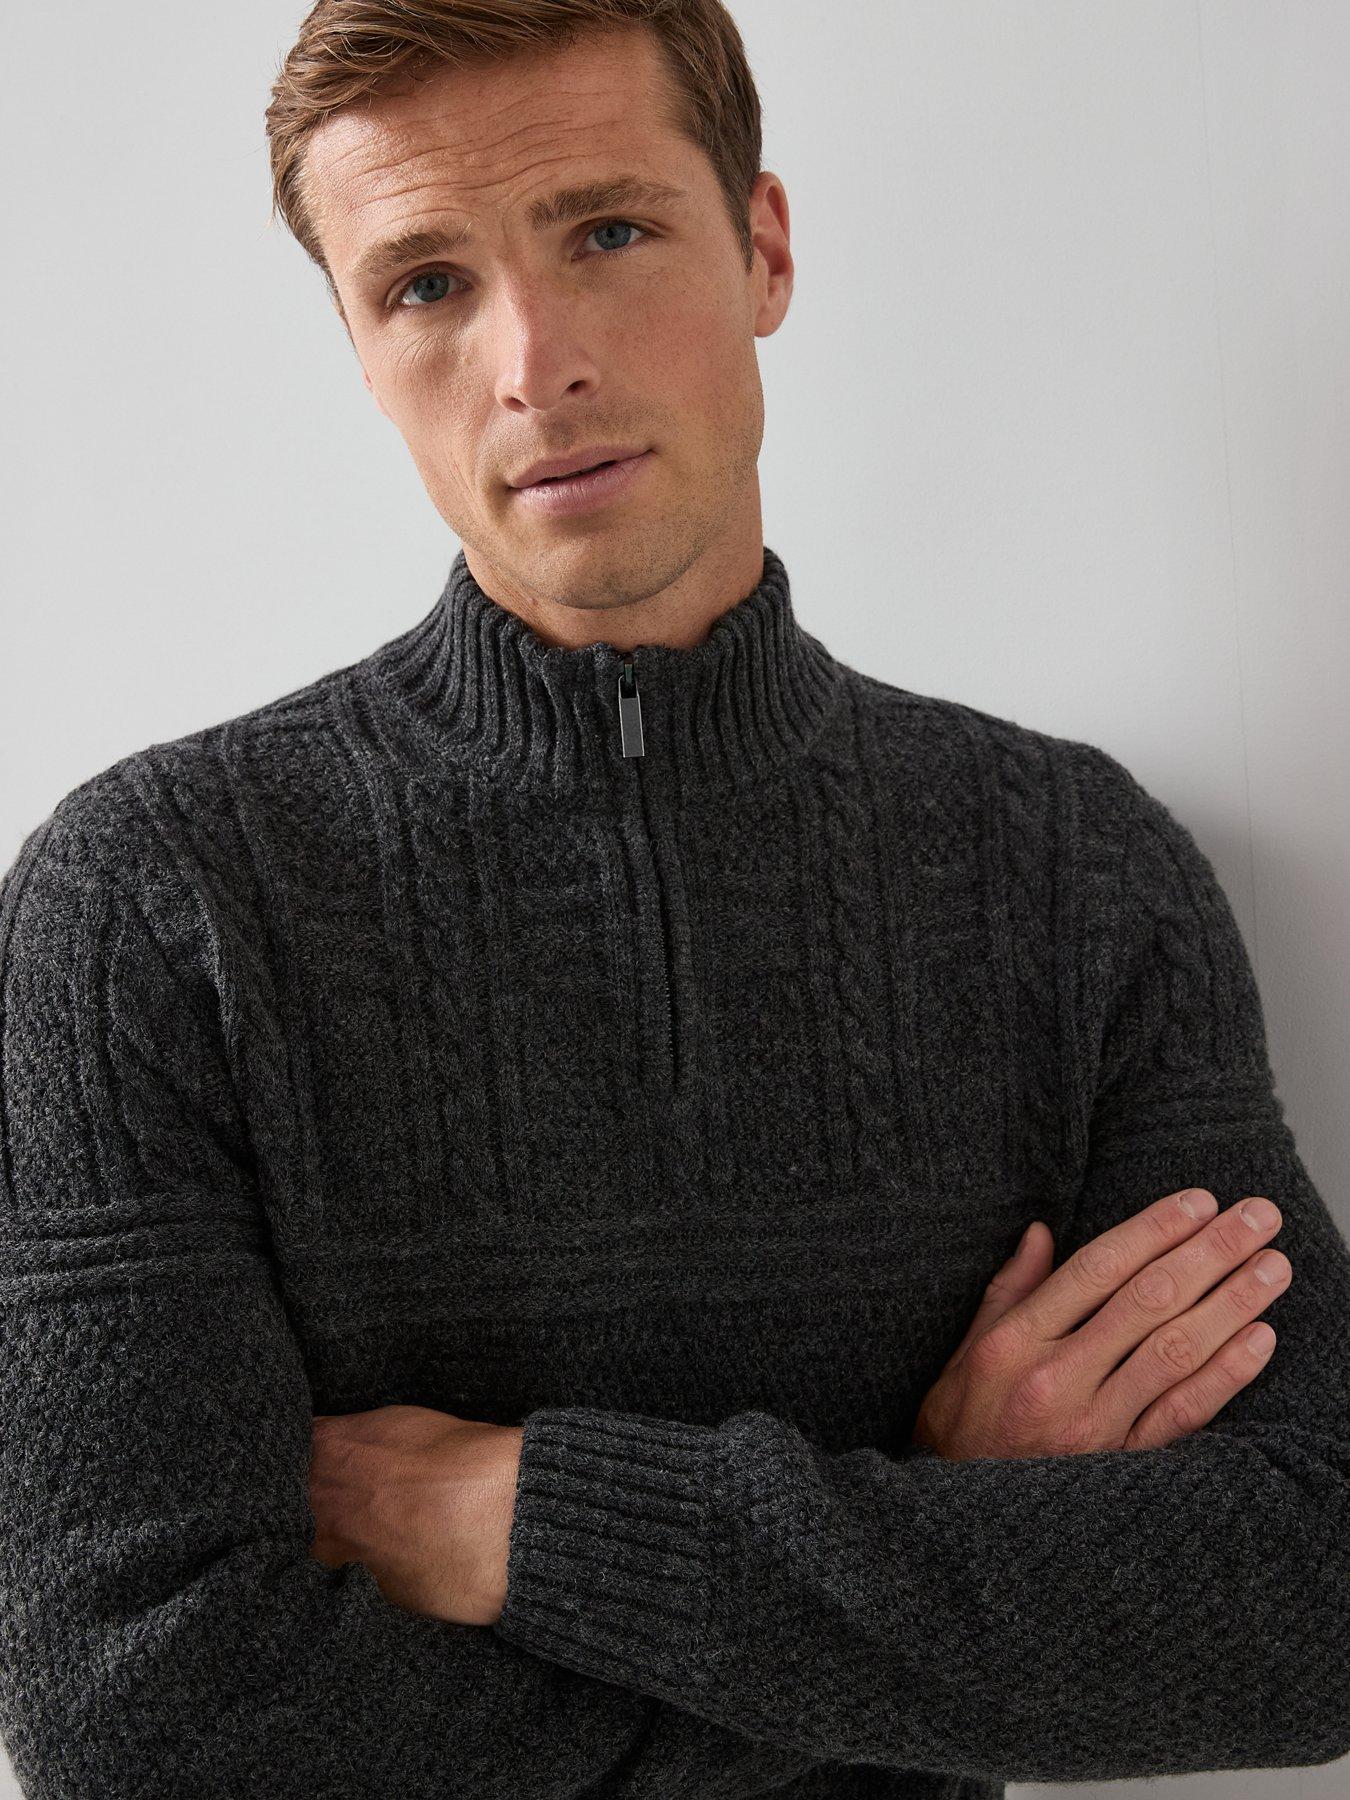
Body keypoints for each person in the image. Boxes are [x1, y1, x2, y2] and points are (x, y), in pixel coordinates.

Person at [2, 4, 1348, 1797]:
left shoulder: (1071, 866)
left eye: (608, 231)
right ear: (357, 347)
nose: (533, 363)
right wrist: (929, 1536)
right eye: (425, 284)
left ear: (763, 247)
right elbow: (131, 1722)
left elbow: (1312, 1590)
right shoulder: (151, 902)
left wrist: (518, 1517)